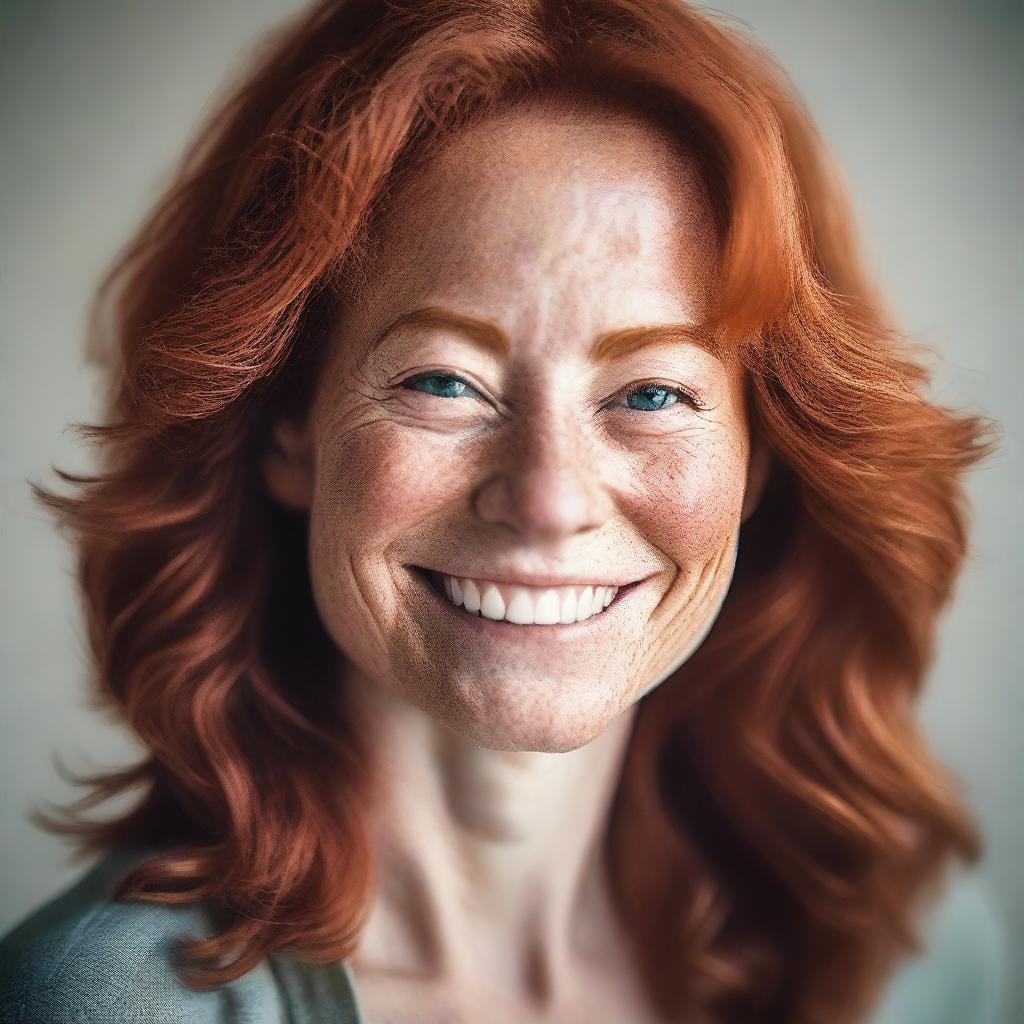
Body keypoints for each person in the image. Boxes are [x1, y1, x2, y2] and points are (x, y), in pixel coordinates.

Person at [0, 1, 1007, 1021]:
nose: (546, 500)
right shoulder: (104, 1004)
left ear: (760, 465)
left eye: (651, 394)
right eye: (444, 382)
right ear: (283, 427)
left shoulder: (915, 959)